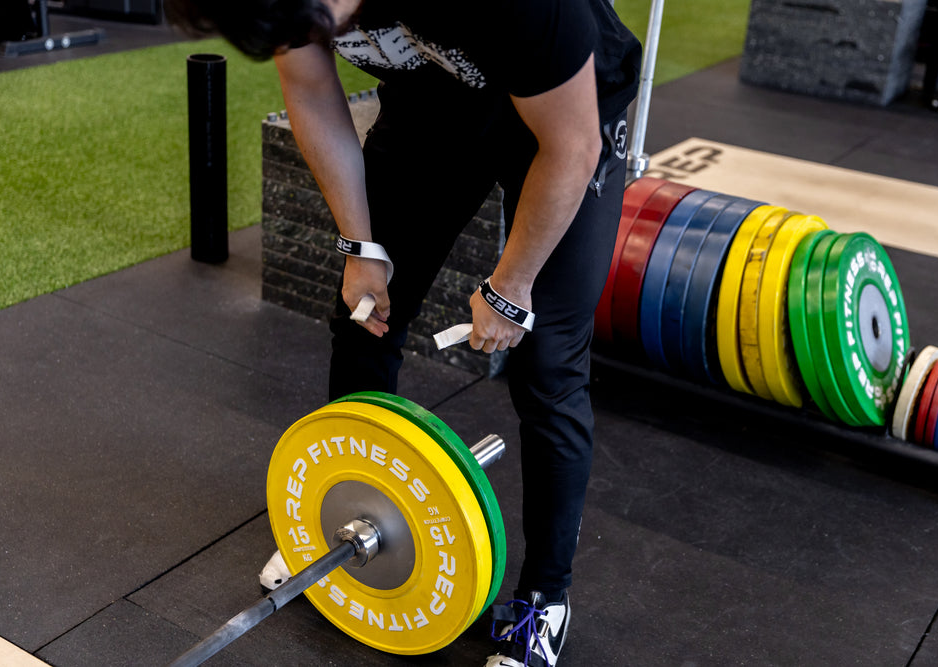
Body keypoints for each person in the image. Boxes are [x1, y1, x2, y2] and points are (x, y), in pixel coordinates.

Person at [165, 1, 640, 664]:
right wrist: (361, 246)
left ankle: (543, 600)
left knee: (548, 363)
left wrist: (511, 286)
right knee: (365, 316)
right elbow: (308, 87)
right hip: (435, 107)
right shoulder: (284, 4)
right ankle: (346, 519)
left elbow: (573, 145)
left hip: (567, 115)